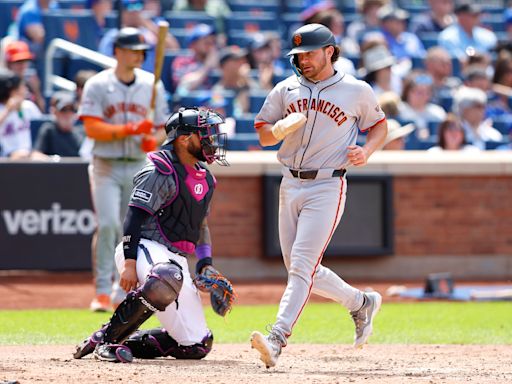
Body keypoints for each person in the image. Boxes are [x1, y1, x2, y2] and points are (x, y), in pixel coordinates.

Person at [250, 24, 387, 369]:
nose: (303, 60)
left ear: (330, 51)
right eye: (298, 54)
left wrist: (367, 150)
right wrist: (278, 130)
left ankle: (277, 338)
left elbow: (380, 124)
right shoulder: (286, 88)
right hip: (289, 183)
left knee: (301, 267)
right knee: (301, 268)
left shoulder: (355, 89)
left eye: (309, 53)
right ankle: (360, 303)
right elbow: (263, 134)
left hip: (327, 185)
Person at [73, 107, 233, 363]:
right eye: (205, 134)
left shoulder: (206, 178)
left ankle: (112, 335)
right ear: (184, 138)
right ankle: (108, 343)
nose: (211, 141)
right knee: (166, 278)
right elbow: (134, 216)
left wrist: (206, 266)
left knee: (197, 345)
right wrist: (129, 263)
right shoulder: (160, 168)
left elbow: (201, 226)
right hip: (145, 247)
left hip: (175, 262)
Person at [79, 27, 169, 312]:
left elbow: (160, 132)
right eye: (132, 50)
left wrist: (151, 139)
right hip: (106, 164)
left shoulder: (152, 84)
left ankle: (124, 289)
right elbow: (92, 127)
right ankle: (102, 290)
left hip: (138, 167)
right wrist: (129, 129)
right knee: (108, 225)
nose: (138, 55)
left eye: (141, 51)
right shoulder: (97, 83)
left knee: (134, 229)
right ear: (117, 51)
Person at [0, 68, 45, 159]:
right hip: (5, 157)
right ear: (12, 91)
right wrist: (7, 111)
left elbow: (42, 127)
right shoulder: (2, 110)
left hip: (30, 155)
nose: (25, 90)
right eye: (22, 87)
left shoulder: (28, 106)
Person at [171, 23, 218, 95]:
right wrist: (207, 67)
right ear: (193, 44)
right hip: (190, 104)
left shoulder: (219, 61)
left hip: (212, 103)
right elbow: (183, 90)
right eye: (206, 41)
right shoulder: (182, 61)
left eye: (212, 41)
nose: (210, 44)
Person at [34, 91, 84, 157]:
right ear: (54, 112)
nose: (68, 115)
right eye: (64, 110)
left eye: (71, 110)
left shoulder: (82, 132)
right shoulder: (48, 131)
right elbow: (36, 155)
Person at [4, 40, 45, 112]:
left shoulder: (30, 83)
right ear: (9, 63)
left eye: (25, 61)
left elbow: (42, 112)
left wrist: (36, 91)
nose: (22, 65)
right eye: (18, 62)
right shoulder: (3, 85)